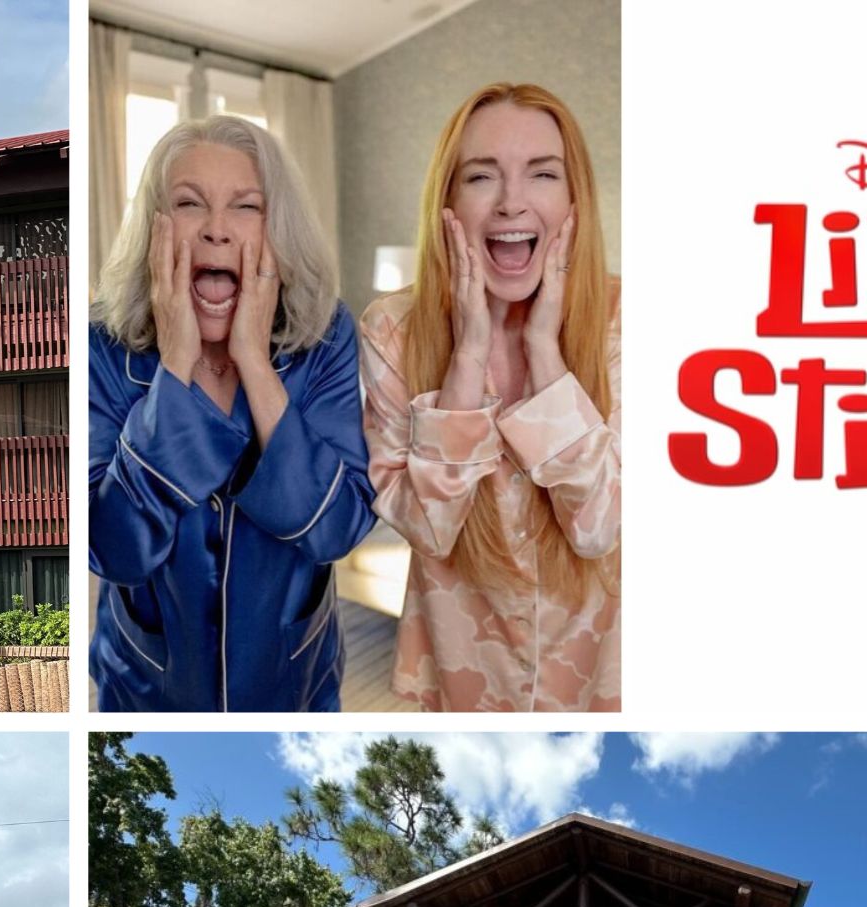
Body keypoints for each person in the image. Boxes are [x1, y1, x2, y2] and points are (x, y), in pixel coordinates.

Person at [90, 114, 376, 711]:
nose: (217, 230)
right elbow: (115, 549)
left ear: (277, 229)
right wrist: (176, 365)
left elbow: (337, 529)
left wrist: (254, 361)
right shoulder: (101, 345)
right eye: (189, 203)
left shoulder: (327, 334)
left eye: (246, 207)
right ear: (155, 226)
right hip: (148, 685)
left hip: (293, 679)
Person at [361, 82, 620, 711]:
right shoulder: (390, 330)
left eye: (542, 174)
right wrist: (468, 356)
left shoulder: (628, 319)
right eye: (481, 176)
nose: (511, 202)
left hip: (598, 669)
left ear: (575, 199)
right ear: (448, 201)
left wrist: (544, 354)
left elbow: (599, 529)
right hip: (463, 669)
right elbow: (428, 530)